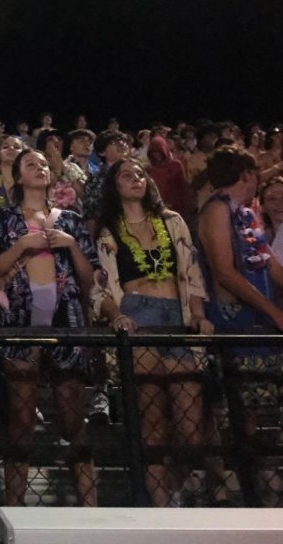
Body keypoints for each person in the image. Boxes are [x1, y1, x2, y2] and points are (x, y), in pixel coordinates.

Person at [0, 149, 99, 507]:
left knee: (72, 419)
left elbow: (90, 279)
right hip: (18, 322)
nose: (39, 168)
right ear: (17, 177)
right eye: (30, 164)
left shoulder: (72, 221)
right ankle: (14, 509)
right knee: (20, 421)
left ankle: (92, 509)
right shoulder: (1, 220)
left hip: (67, 323)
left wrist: (73, 246)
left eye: (44, 164)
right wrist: (21, 246)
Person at [91, 158, 212, 506]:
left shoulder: (172, 221)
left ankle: (177, 484)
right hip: (137, 313)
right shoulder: (108, 230)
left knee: (190, 428)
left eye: (140, 173)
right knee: (152, 420)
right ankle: (161, 506)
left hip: (178, 315)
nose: (136, 179)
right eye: (127, 175)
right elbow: (101, 285)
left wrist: (199, 313)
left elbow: (191, 270)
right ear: (114, 186)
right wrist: (116, 315)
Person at [198, 146, 283, 504]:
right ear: (246, 174)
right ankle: (245, 490)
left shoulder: (248, 213)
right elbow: (224, 272)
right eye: (256, 174)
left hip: (259, 319)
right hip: (234, 320)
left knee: (258, 407)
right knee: (239, 410)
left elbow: (268, 265)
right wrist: (275, 312)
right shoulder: (217, 209)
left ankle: (260, 482)